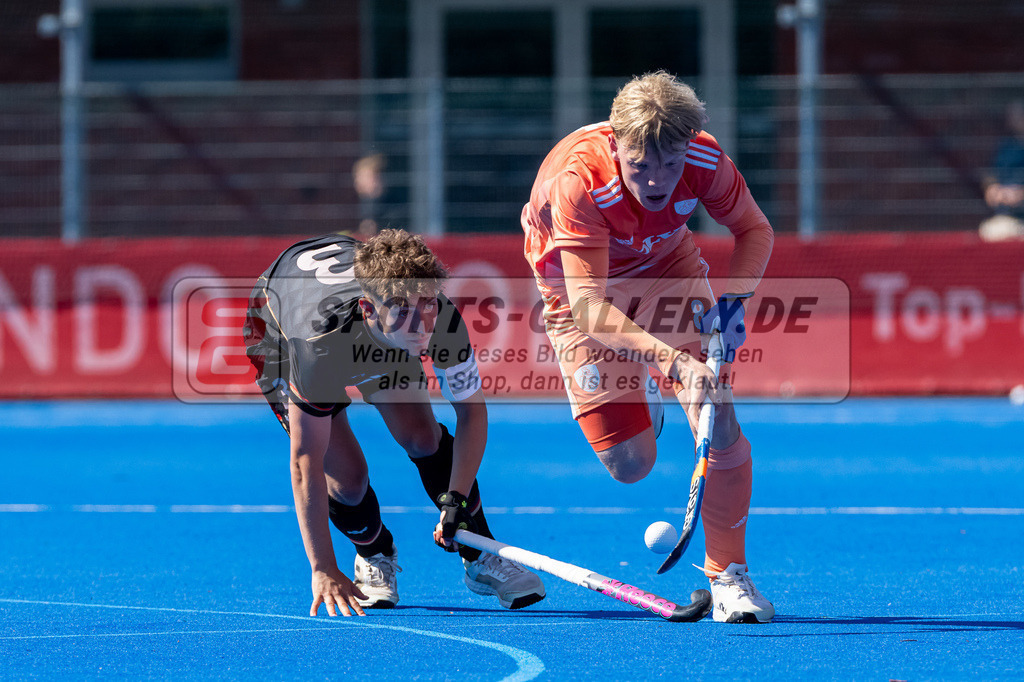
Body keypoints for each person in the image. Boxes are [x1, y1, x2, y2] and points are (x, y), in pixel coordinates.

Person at [520, 71, 775, 623]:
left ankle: (729, 577)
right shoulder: (580, 181)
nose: (657, 181)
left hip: (667, 271)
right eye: (641, 165)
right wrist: (666, 357)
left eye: (670, 165)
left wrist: (731, 303)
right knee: (629, 464)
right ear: (616, 144)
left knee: (717, 414)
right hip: (578, 291)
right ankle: (647, 396)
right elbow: (589, 307)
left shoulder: (705, 160)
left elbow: (756, 230)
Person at [243, 228, 545, 617]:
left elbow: (471, 412)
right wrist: (322, 567)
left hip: (378, 337)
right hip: (280, 331)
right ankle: (373, 552)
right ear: (370, 309)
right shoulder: (317, 346)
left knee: (421, 436)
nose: (421, 322)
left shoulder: (438, 321)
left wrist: (456, 499)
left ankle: (480, 554)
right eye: (403, 308)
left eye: (427, 303)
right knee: (348, 478)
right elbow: (305, 462)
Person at [979, 99, 1024, 242]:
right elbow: (990, 173)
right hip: (1008, 218)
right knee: (989, 232)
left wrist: (1020, 194)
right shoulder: (1006, 146)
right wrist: (992, 188)